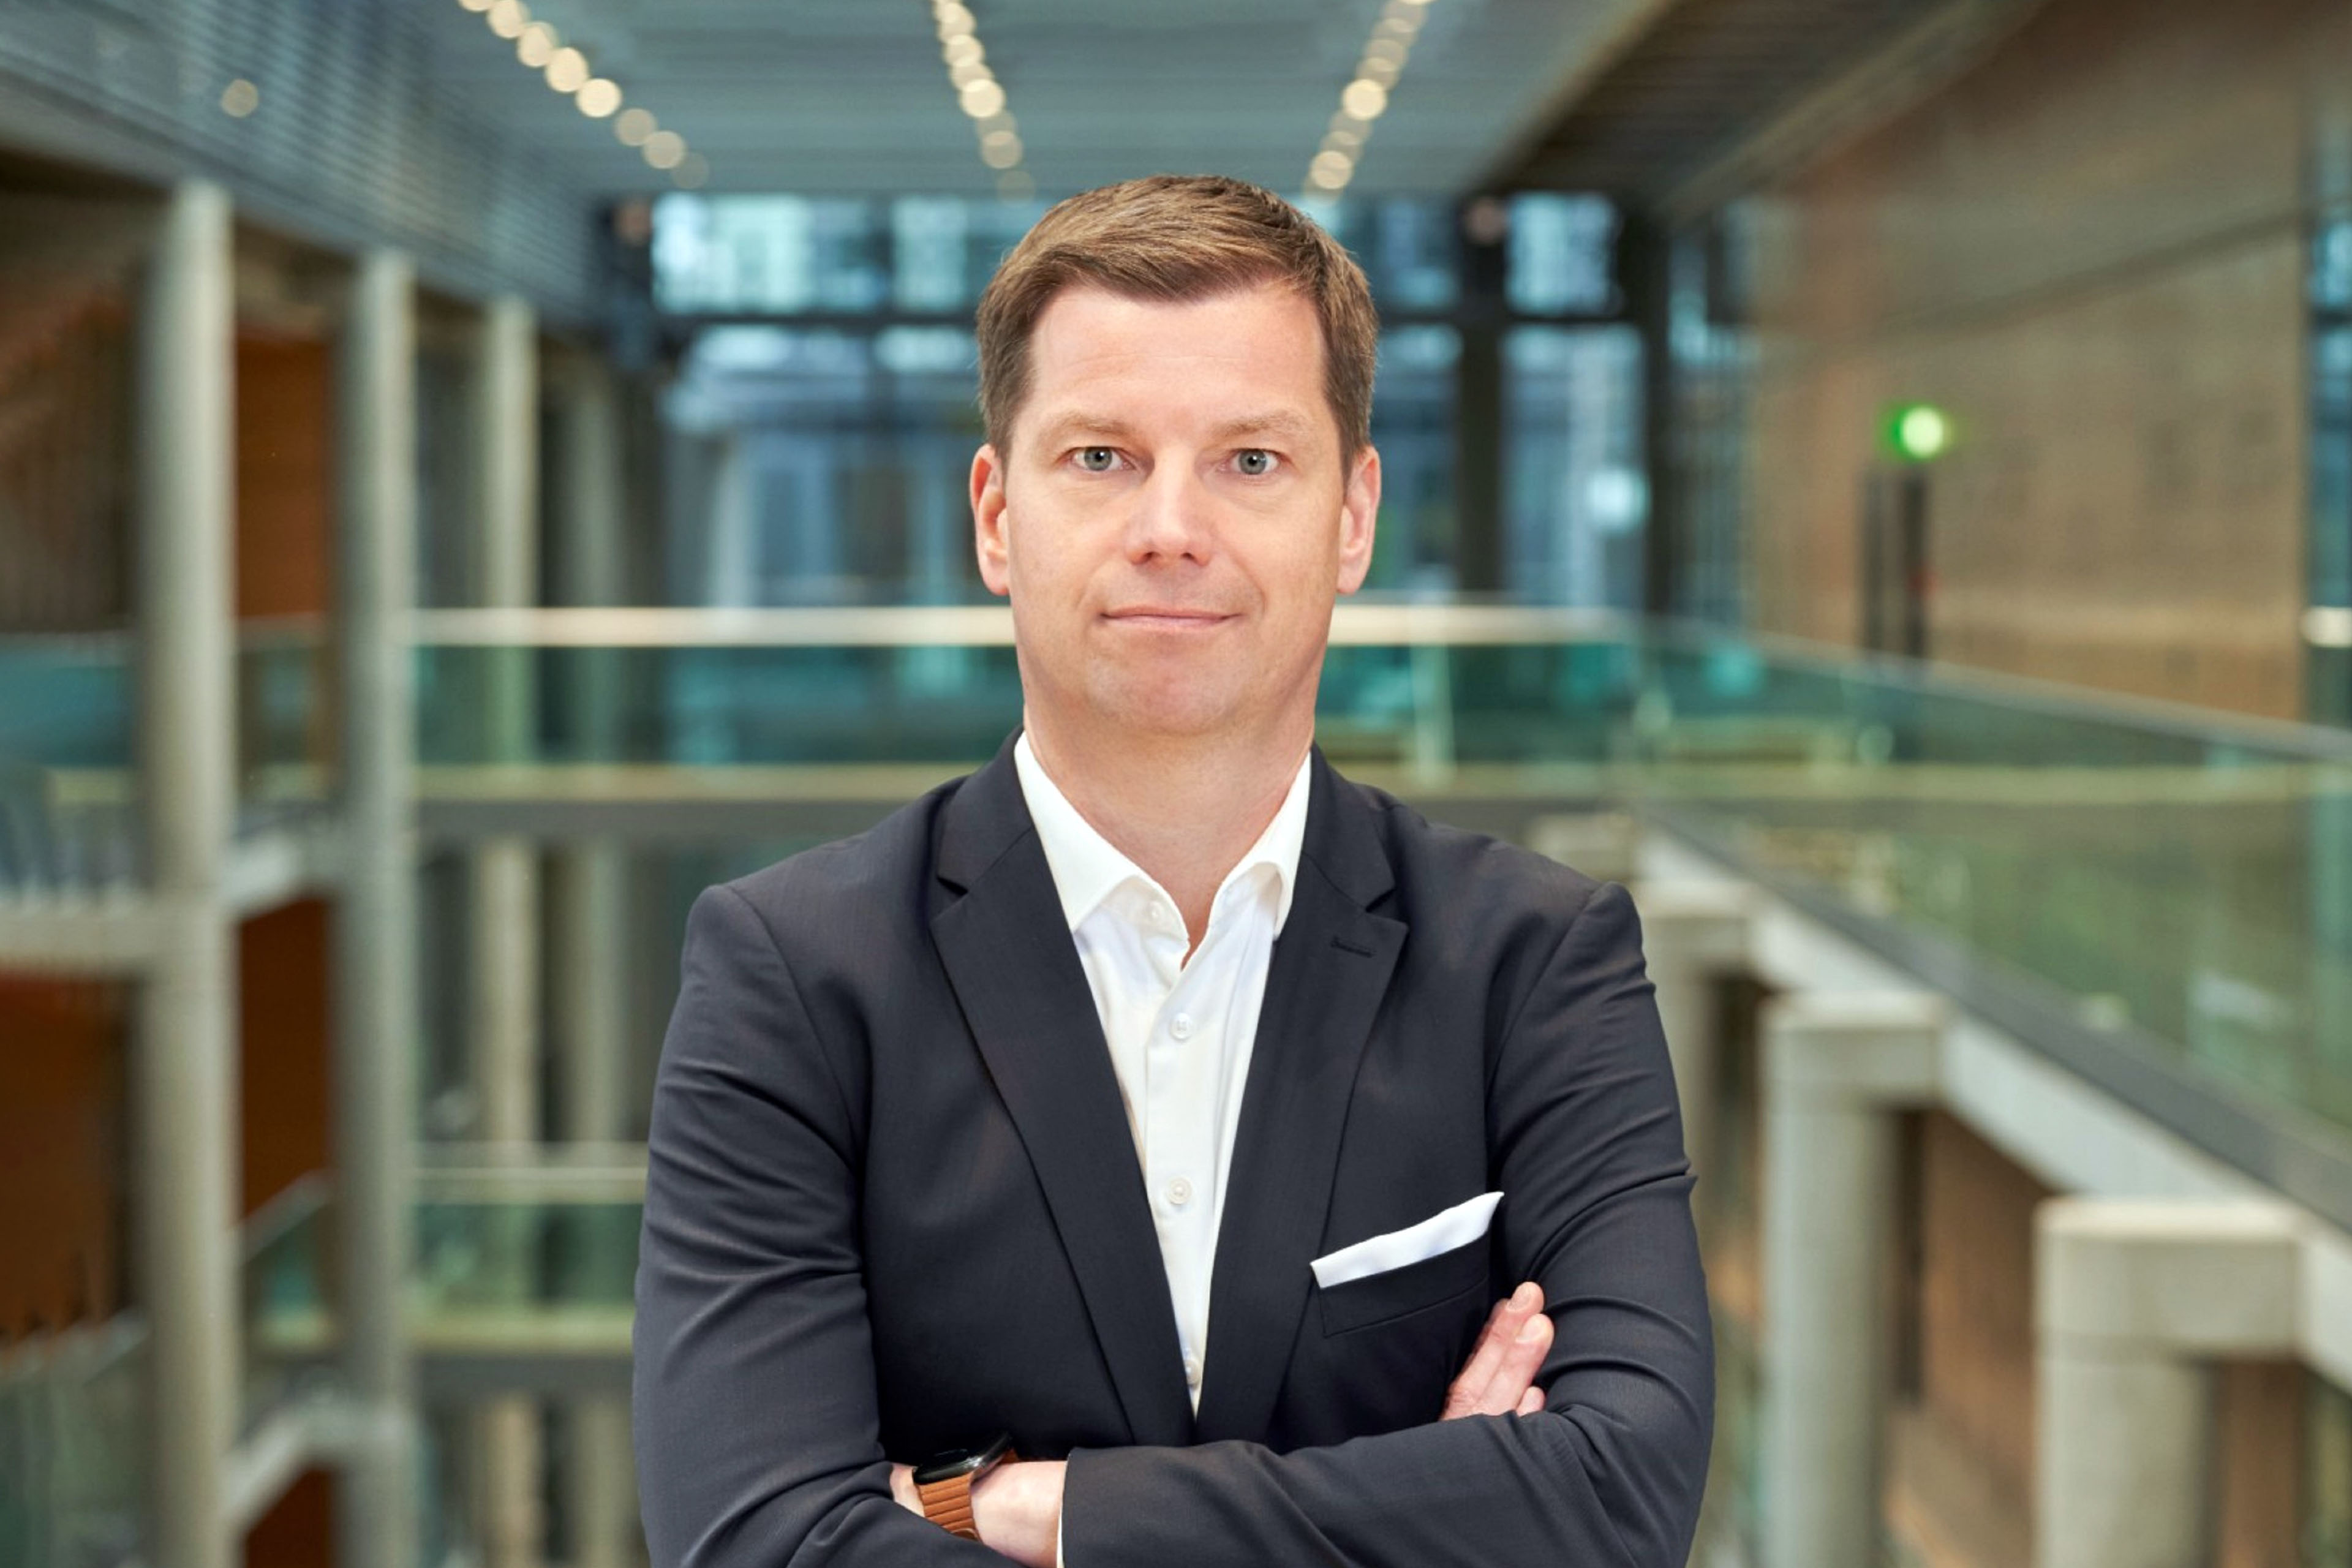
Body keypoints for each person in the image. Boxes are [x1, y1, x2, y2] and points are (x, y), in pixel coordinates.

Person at [632, 173, 1712, 1567]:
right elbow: (757, 1543)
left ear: (1354, 515)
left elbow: (1620, 1498)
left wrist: (1011, 1508)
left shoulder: (1537, 961)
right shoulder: (791, 975)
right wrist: (1442, 1500)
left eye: (1251, 461)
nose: (1171, 528)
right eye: (1101, 457)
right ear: (996, 515)